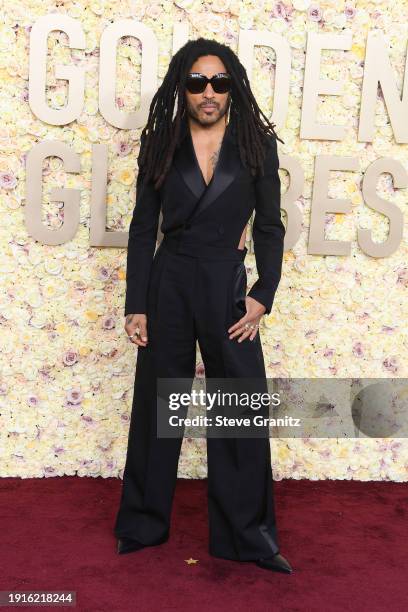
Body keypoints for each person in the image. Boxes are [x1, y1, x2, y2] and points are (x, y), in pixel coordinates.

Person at [114, 37, 291, 574]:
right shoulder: (161, 143)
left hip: (227, 284)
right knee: (159, 405)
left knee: (238, 404)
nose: (208, 92)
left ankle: (247, 537)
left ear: (232, 87)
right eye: (196, 82)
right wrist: (136, 303)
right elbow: (144, 229)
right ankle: (143, 525)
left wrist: (263, 294)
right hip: (169, 281)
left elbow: (268, 225)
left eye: (218, 82)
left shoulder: (256, 143)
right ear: (182, 88)